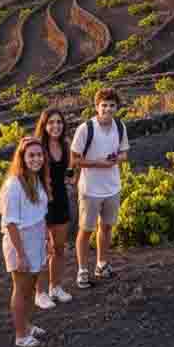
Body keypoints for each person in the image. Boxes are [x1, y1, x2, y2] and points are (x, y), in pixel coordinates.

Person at [71, 87, 129, 289]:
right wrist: (99, 164)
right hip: (90, 189)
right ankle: (82, 270)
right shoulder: (85, 129)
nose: (108, 109)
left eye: (112, 105)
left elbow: (124, 154)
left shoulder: (120, 127)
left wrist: (115, 159)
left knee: (106, 227)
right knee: (85, 230)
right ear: (96, 107)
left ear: (117, 107)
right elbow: (75, 159)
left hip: (112, 187)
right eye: (104, 105)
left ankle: (101, 264)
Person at [0, 136, 52, 347]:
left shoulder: (36, 180)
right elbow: (10, 223)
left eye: (39, 155)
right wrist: (20, 254)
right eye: (31, 155)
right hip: (20, 241)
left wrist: (46, 238)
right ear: (22, 157)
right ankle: (21, 335)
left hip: (36, 236)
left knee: (31, 287)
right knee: (21, 289)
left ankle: (27, 324)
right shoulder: (14, 185)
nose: (36, 159)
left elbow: (40, 214)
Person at [33, 109, 74, 308]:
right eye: (51, 122)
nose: (55, 126)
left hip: (61, 199)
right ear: (44, 125)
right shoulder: (37, 147)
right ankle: (39, 293)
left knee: (59, 247)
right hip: (41, 202)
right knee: (42, 249)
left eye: (59, 122)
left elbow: (70, 171)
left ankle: (55, 287)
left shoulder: (65, 145)